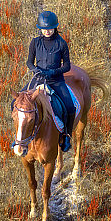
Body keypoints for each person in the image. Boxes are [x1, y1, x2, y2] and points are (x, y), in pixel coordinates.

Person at [24, 11, 76, 152]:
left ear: (55, 27)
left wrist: (53, 72)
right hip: (38, 79)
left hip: (56, 80)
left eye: (50, 28)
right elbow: (29, 62)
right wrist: (35, 70)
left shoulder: (61, 43)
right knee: (16, 103)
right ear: (40, 29)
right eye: (44, 29)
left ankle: (66, 136)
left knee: (70, 107)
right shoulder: (35, 42)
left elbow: (67, 66)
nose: (47, 31)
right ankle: (18, 137)